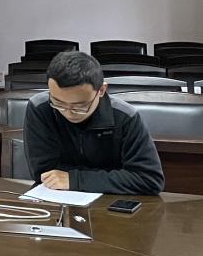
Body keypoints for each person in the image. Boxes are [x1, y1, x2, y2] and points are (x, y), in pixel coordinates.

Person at [24, 50, 164, 195]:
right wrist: (113, 177)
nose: (68, 112)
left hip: (110, 201)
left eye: (79, 106)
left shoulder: (125, 117)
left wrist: (75, 180)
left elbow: (149, 179)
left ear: (101, 90)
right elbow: (44, 173)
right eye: (58, 103)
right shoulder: (40, 108)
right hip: (56, 198)